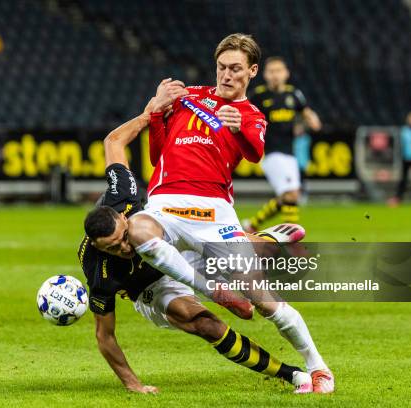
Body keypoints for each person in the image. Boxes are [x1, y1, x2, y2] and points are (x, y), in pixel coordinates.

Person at [84, 34, 333, 393]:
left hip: (214, 210)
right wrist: (156, 110)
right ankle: (214, 288)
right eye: (221, 67)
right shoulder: (189, 97)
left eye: (235, 69)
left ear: (252, 71)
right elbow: (157, 155)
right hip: (167, 202)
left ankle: (318, 366)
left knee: (262, 301)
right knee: (137, 229)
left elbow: (254, 153)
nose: (226, 75)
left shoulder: (251, 115)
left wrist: (236, 128)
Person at [243, 57, 322, 232]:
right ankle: (291, 237)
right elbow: (245, 116)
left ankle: (252, 224)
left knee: (286, 197)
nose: (275, 75)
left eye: (278, 71)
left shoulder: (294, 94)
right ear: (265, 74)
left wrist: (311, 120)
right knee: (292, 194)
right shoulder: (259, 95)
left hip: (290, 153)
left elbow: (307, 113)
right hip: (272, 153)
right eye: (271, 71)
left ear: (286, 73)